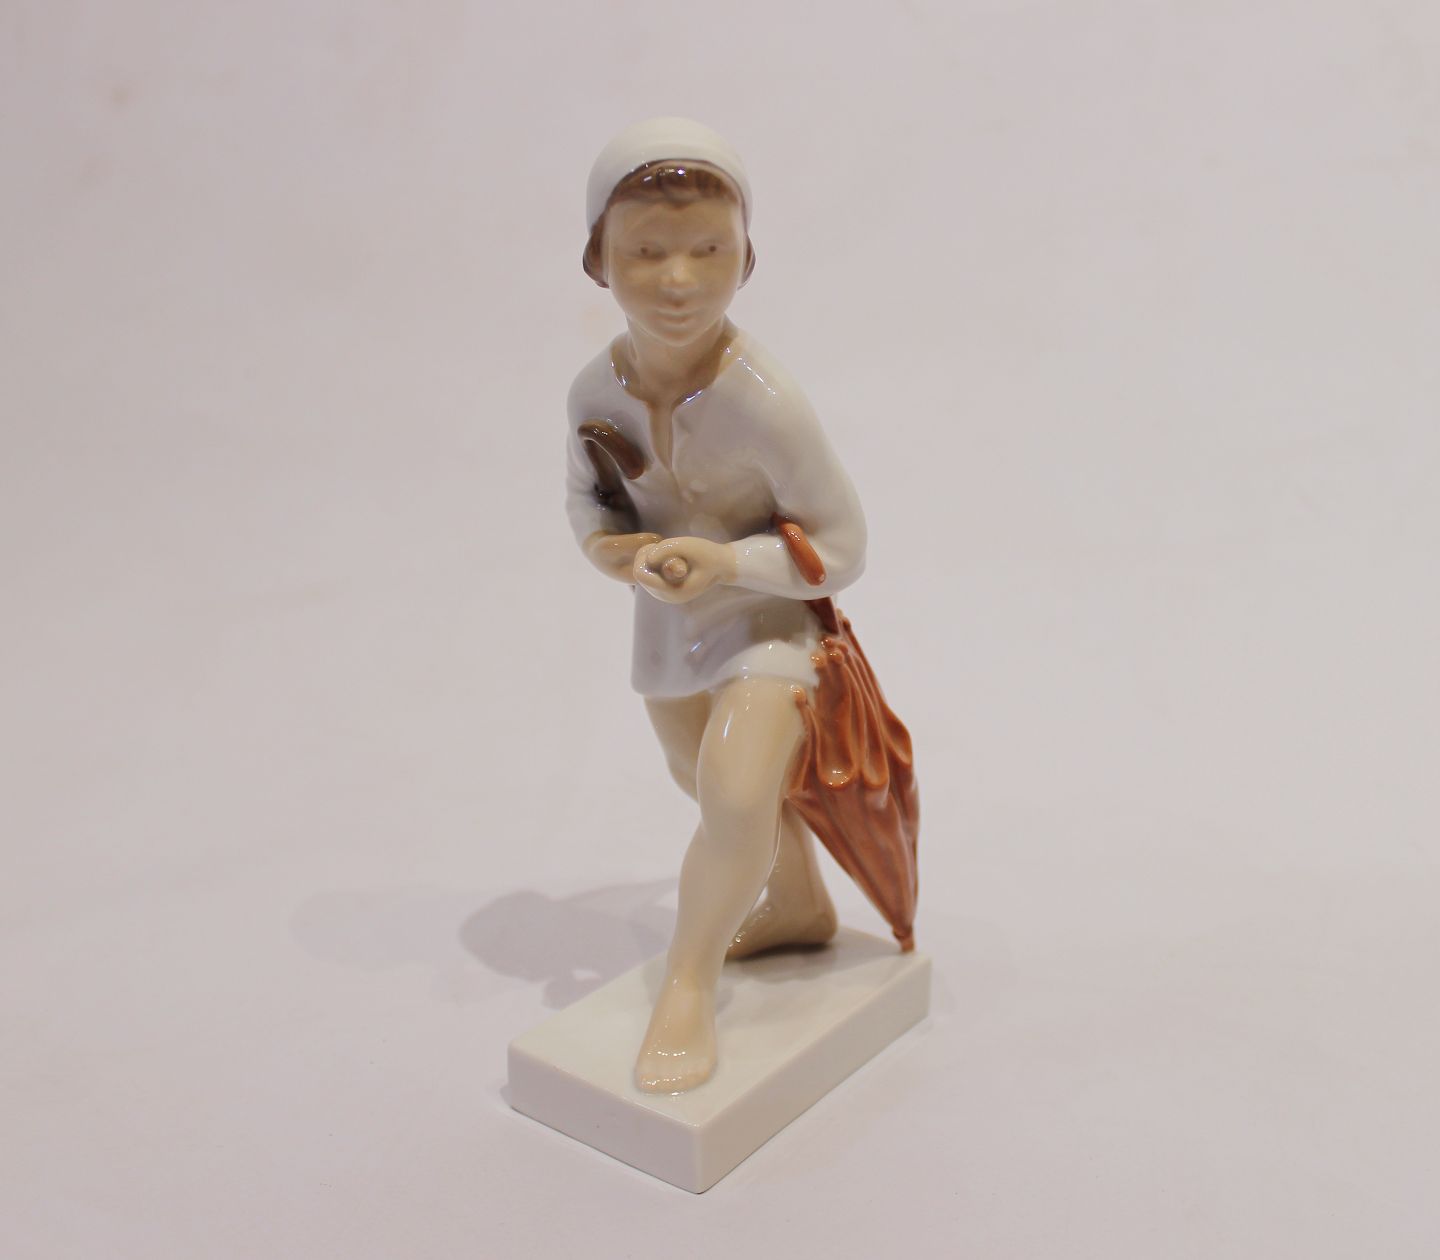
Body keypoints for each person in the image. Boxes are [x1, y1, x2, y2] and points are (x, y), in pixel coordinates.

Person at [565, 118, 868, 1094]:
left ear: (748, 255)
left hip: (767, 619)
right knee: (703, 785)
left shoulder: (764, 400)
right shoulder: (593, 392)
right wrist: (616, 552)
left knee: (736, 797)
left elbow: (843, 545)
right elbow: (592, 505)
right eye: (647, 252)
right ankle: (797, 905)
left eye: (709, 250)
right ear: (598, 260)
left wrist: (728, 561)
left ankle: (687, 986)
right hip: (668, 624)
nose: (680, 280)